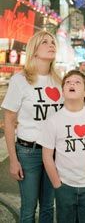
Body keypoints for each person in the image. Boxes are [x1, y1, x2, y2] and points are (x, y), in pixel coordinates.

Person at [1, 30, 63, 222]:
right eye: (45, 42)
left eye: (53, 42)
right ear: (34, 50)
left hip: (54, 152)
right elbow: (9, 122)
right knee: (28, 208)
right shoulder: (20, 80)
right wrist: (13, 160)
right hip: (29, 152)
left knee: (48, 207)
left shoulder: (60, 80)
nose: (51, 45)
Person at [38, 70, 85, 223]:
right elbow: (47, 155)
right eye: (68, 82)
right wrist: (57, 183)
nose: (71, 84)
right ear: (63, 91)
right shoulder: (53, 121)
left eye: (77, 82)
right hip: (64, 186)